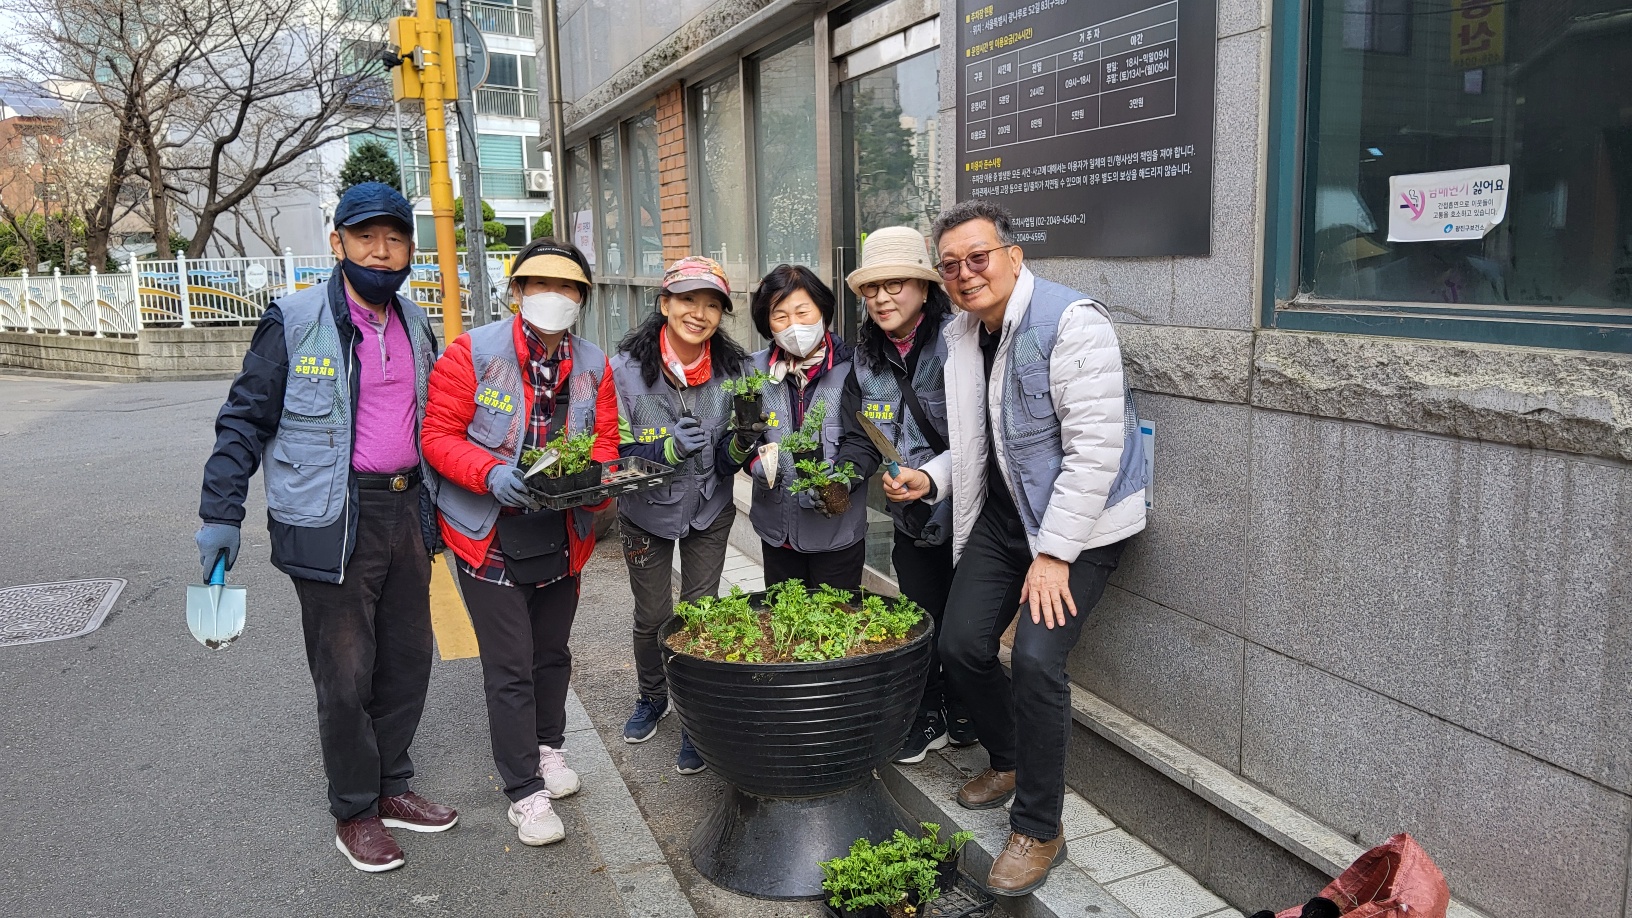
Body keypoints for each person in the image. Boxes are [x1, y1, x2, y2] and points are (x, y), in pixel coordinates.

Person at [194, 182, 456, 873]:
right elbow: (243, 420)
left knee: (408, 661)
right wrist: (220, 513)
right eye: (366, 237)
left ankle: (392, 785)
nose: (382, 251)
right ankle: (355, 810)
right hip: (331, 516)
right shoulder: (294, 319)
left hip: (407, 510)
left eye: (395, 238)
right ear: (338, 242)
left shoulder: (415, 322)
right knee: (345, 672)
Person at [905, 200, 1148, 896]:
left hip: (1082, 525)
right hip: (1008, 518)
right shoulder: (961, 335)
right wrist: (932, 478)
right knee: (960, 644)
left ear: (1014, 256)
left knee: (1038, 659)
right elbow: (978, 443)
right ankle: (1010, 758)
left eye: (978, 257)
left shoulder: (1072, 322)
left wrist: (1055, 554)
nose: (964, 273)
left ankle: (1039, 827)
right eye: (950, 265)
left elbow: (1095, 452)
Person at [419, 239, 619, 848]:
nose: (554, 297)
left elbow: (604, 442)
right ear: (517, 292)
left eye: (567, 287)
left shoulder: (593, 363)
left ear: (582, 298)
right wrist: (488, 473)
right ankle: (524, 791)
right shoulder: (473, 352)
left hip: (560, 530)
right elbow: (437, 434)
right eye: (540, 285)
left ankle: (548, 747)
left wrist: (596, 489)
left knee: (551, 653)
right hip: (488, 532)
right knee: (510, 665)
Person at [830, 226, 975, 764]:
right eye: (872, 288)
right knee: (921, 616)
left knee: (966, 626)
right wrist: (846, 477)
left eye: (895, 285)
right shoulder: (865, 359)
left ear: (924, 286)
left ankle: (967, 710)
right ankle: (930, 712)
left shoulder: (962, 341)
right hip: (911, 516)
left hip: (972, 512)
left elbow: (985, 433)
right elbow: (859, 436)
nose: (882, 298)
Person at [610, 256, 758, 774]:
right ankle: (653, 696)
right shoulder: (624, 370)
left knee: (699, 613)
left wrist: (738, 449)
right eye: (688, 300)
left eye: (712, 304)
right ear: (665, 304)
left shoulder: (735, 371)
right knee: (652, 615)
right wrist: (663, 450)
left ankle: (697, 717)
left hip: (708, 508)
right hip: (645, 512)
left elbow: (734, 445)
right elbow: (612, 453)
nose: (700, 313)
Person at [744, 264, 867, 591]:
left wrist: (842, 482)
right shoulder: (753, 370)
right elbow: (743, 435)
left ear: (823, 311)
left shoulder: (854, 368)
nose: (794, 326)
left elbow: (863, 442)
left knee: (836, 617)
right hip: (777, 531)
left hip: (837, 534)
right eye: (780, 316)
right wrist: (754, 463)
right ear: (767, 323)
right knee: (783, 617)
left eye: (803, 312)